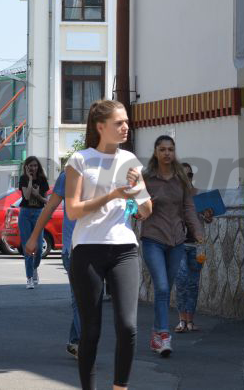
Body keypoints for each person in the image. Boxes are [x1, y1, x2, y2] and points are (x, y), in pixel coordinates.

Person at [65, 99, 152, 390]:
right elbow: (72, 211)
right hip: (87, 249)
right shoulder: (80, 160)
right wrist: (112, 195)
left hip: (124, 248)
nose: (126, 126)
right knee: (91, 331)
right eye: (119, 122)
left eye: (126, 121)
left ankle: (120, 387)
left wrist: (136, 189)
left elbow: (146, 210)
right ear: (100, 126)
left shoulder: (130, 160)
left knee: (128, 326)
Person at [140, 136, 203, 357]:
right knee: (162, 287)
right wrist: (143, 207)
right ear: (155, 152)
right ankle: (164, 335)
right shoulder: (146, 178)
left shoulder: (180, 179)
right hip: (153, 239)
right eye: (163, 149)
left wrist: (197, 230)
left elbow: (188, 208)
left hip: (177, 240)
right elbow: (135, 206)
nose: (167, 153)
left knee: (165, 289)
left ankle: (157, 333)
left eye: (171, 149)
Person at [25, 167, 81, 358]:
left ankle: (76, 340)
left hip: (97, 248)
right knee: (80, 299)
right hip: (72, 249)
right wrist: (34, 237)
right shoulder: (69, 176)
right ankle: (84, 345)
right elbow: (49, 207)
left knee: (89, 300)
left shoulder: (108, 175)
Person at [174, 162, 213, 333]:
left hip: (197, 245)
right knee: (181, 281)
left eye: (190, 175)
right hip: (179, 245)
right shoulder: (173, 197)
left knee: (193, 283)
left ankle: (190, 321)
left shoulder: (200, 195)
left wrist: (208, 216)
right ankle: (181, 320)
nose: (187, 178)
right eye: (183, 175)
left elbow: (208, 219)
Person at [19, 156, 49, 289]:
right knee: (28, 247)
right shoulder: (23, 179)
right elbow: (26, 196)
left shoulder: (42, 180)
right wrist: (30, 179)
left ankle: (34, 268)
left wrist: (37, 195)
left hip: (38, 214)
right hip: (25, 214)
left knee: (38, 248)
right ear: (26, 167)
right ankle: (29, 278)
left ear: (38, 167)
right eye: (30, 166)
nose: (33, 168)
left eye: (35, 165)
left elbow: (46, 201)